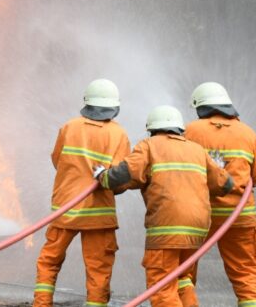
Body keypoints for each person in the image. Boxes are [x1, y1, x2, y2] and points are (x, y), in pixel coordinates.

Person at [96, 105, 233, 307]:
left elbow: (126, 173)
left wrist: (103, 178)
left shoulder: (149, 146)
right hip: (197, 230)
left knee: (161, 284)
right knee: (182, 278)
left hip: (167, 228)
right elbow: (226, 184)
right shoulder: (197, 150)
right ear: (179, 129)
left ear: (152, 129)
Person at [33, 79, 130, 307]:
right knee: (98, 268)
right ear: (114, 106)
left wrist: (74, 180)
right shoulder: (118, 135)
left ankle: (41, 304)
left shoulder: (69, 127)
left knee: (49, 261)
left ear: (87, 103)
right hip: (99, 215)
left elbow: (58, 161)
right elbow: (121, 179)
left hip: (64, 211)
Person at [185, 82, 256, 307]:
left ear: (199, 106)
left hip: (200, 215)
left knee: (183, 268)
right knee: (246, 270)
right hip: (240, 216)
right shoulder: (247, 133)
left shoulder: (190, 131)